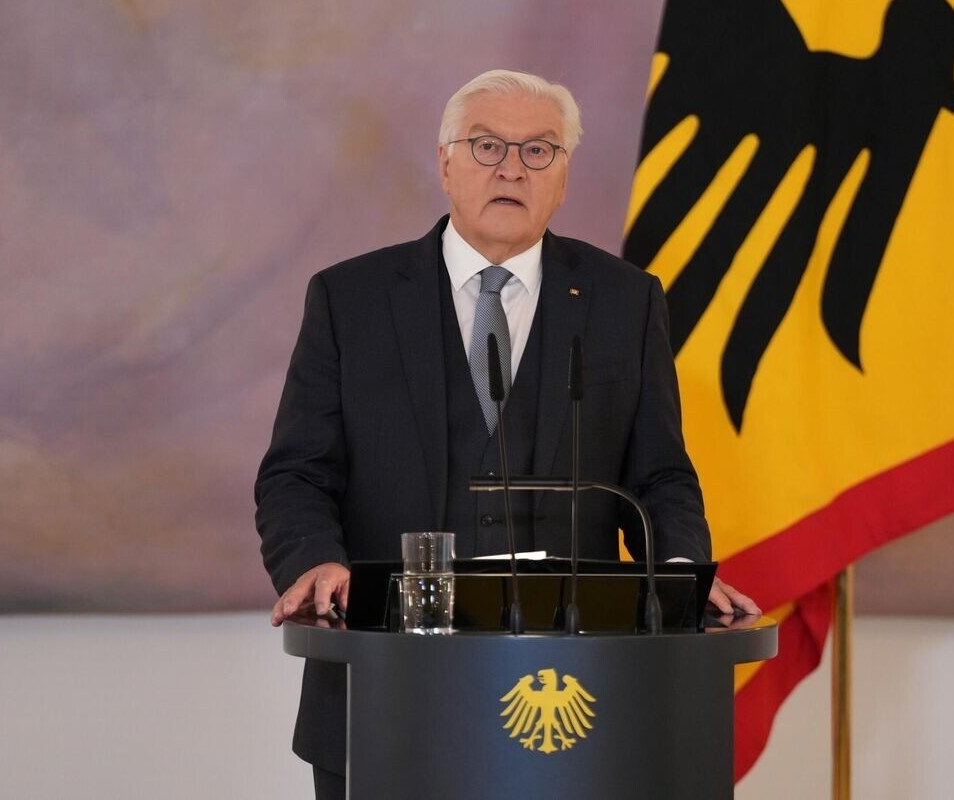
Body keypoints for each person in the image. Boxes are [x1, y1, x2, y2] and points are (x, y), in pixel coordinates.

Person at [255, 68, 758, 794]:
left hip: (578, 701)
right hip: (386, 695)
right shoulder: (350, 299)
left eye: (538, 151)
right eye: (487, 146)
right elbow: (298, 473)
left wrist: (679, 576)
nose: (511, 169)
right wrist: (315, 562)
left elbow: (660, 476)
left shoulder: (626, 300)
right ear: (445, 163)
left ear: (564, 175)